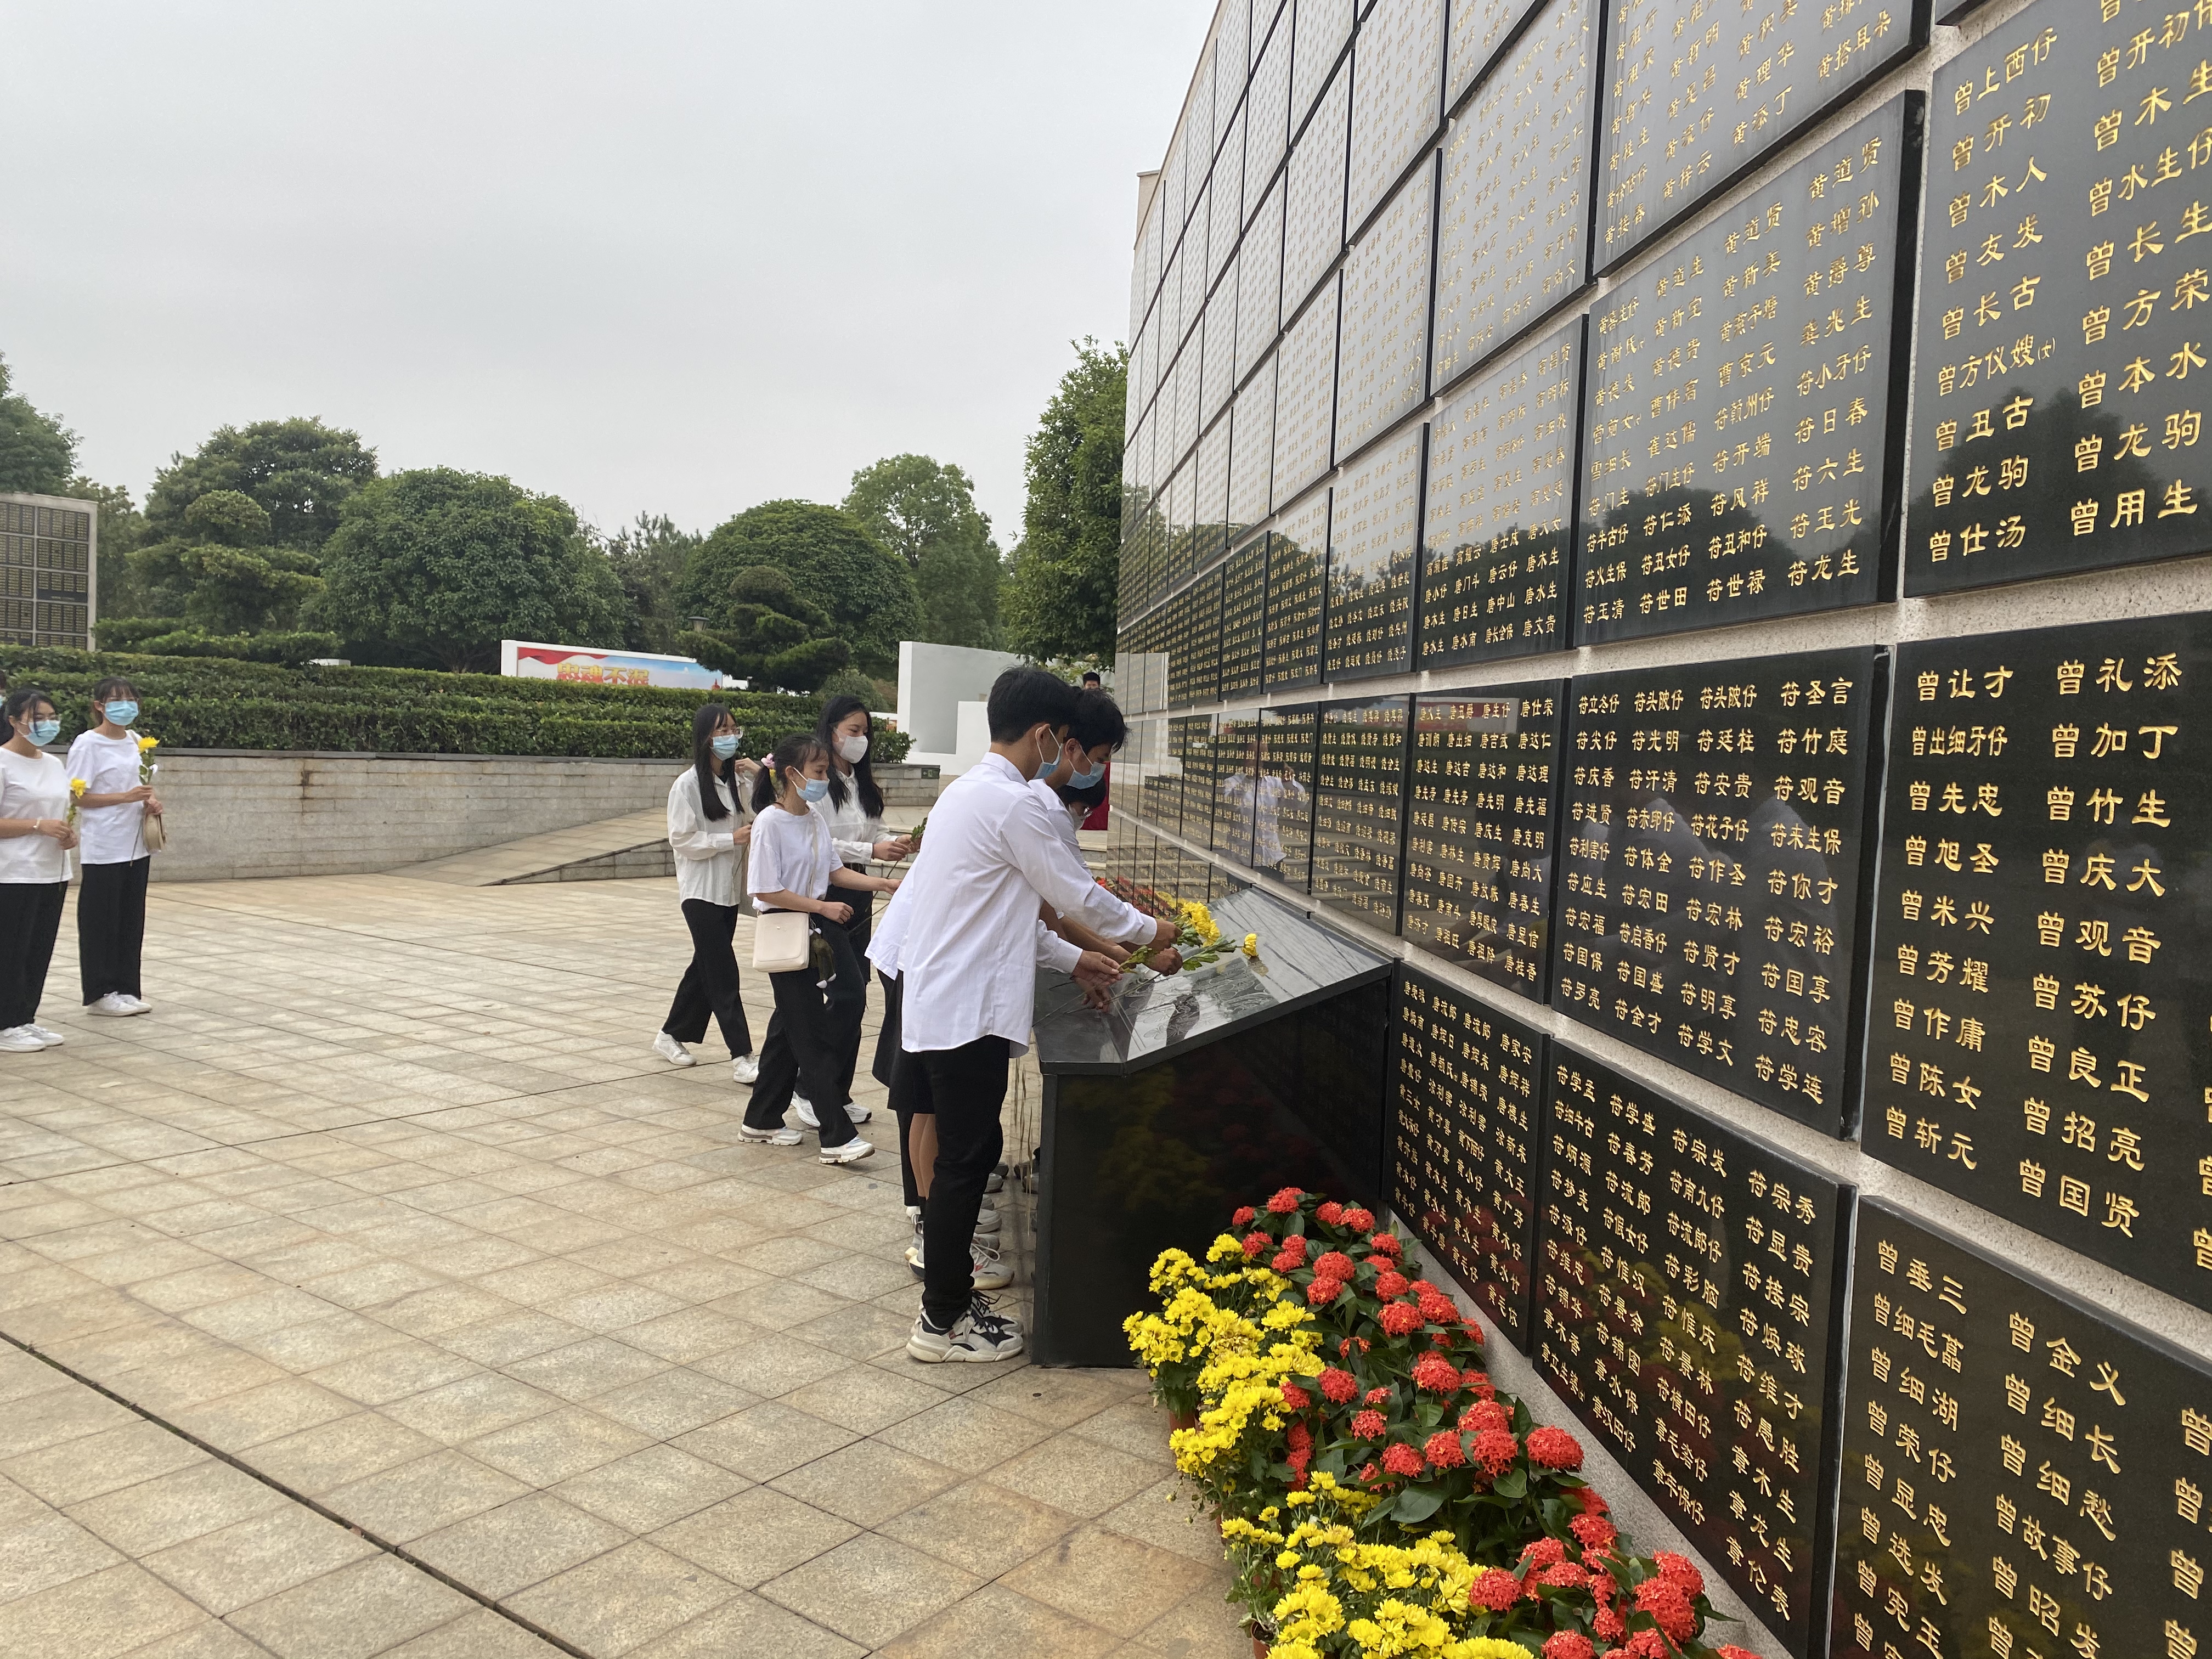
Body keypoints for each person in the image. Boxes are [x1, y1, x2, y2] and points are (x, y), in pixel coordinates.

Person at [871, 667, 1176, 1363]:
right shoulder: (1014, 805)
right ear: (1044, 734)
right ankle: (943, 1321)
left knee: (964, 1158)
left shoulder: (969, 795)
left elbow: (1011, 917)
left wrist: (1078, 962)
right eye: (1063, 741)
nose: (1066, 755)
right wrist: (1152, 933)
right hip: (967, 1011)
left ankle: (948, 1308)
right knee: (963, 1163)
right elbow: (1079, 900)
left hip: (953, 1001)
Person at [740, 733, 899, 1164]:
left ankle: (761, 1117)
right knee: (807, 1031)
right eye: (819, 772)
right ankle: (835, 1134)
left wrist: (883, 882)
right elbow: (765, 890)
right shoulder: (769, 823)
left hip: (816, 930)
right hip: (788, 931)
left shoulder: (813, 819)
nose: (825, 780)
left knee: (794, 1025)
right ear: (791, 775)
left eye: (825, 771)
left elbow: (835, 871)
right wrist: (821, 906)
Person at [788, 695, 913, 1128]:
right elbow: (822, 844)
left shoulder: (861, 781)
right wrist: (871, 850)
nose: (859, 741)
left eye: (865, 733)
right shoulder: (817, 782)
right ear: (832, 730)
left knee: (854, 994)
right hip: (824, 895)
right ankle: (808, 1087)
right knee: (840, 994)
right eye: (853, 731)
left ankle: (837, 1090)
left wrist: (894, 842)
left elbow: (873, 830)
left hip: (857, 894)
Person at [657, 704, 761, 1081]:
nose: (730, 737)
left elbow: (758, 816)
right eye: (722, 731)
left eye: (734, 729)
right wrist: (727, 839)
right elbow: (682, 839)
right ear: (705, 738)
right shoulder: (686, 785)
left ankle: (670, 1034)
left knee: (705, 967)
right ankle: (742, 1055)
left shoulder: (736, 782)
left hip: (728, 890)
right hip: (700, 892)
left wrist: (759, 774)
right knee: (723, 972)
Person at [68, 676, 160, 1016]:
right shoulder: (87, 744)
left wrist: (152, 802)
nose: (126, 705)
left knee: (130, 918)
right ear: (99, 706)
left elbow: (142, 787)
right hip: (105, 845)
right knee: (100, 919)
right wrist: (125, 798)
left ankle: (126, 987)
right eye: (117, 699)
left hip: (137, 845)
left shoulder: (137, 741)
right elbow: (78, 797)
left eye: (132, 699)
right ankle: (99, 992)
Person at [0, 687, 78, 1052]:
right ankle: (6, 1023)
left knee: (38, 948)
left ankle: (25, 1017)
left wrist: (64, 833)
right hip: (14, 872)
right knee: (10, 950)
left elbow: (58, 811)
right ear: (14, 721)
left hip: (52, 871)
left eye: (51, 717)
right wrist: (37, 826)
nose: (46, 724)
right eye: (37, 718)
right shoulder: (2, 763)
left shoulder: (53, 764)